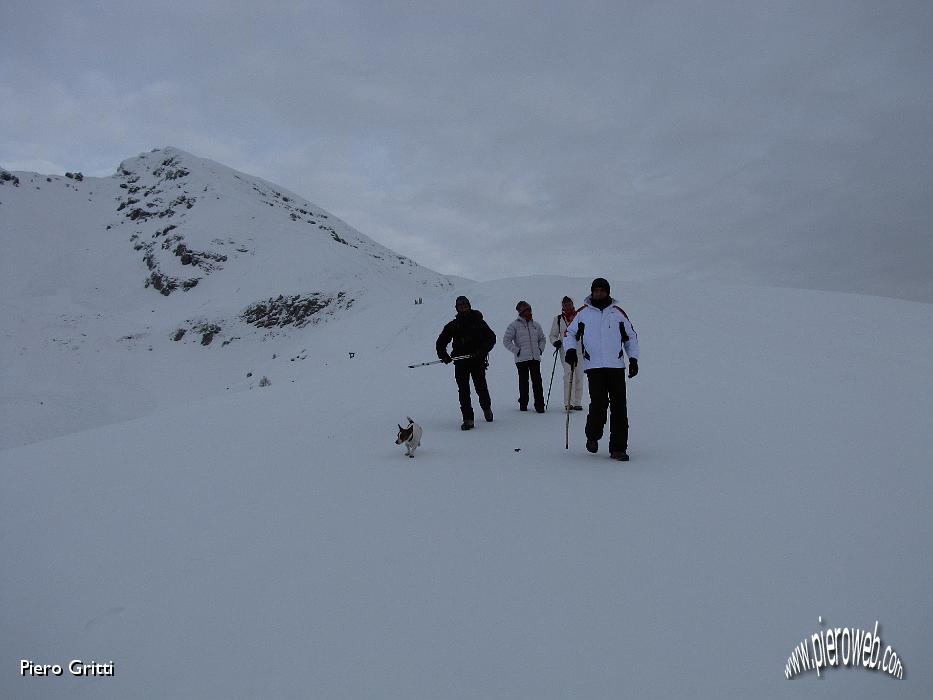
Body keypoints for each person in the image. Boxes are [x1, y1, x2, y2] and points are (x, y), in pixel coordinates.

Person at [563, 278, 640, 461]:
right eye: (596, 290)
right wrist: (571, 350)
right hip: (594, 366)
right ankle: (593, 436)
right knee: (599, 404)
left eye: (602, 290)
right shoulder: (583, 314)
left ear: (607, 292)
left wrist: (633, 359)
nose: (599, 293)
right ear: (592, 292)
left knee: (619, 407)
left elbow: (630, 337)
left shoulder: (617, 313)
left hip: (616, 366)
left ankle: (618, 448)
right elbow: (570, 333)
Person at [436, 295, 497, 430]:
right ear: (457, 308)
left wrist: (482, 351)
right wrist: (444, 355)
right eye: (460, 306)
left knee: (481, 387)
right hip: (460, 362)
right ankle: (468, 418)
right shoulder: (453, 325)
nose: (463, 308)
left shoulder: (479, 321)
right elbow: (441, 342)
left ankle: (486, 408)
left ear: (469, 306)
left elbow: (491, 338)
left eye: (465, 306)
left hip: (477, 361)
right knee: (463, 391)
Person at [502, 300, 547, 413]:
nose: (528, 312)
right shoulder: (514, 325)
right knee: (523, 382)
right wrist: (517, 351)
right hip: (521, 359)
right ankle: (523, 404)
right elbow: (506, 340)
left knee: (537, 382)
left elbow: (542, 339)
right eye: (525, 310)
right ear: (520, 312)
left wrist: (540, 349)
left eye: (529, 309)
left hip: (535, 358)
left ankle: (540, 405)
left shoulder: (536, 325)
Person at [548, 295, 584, 410]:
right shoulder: (558, 319)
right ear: (562, 306)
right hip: (566, 350)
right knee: (569, 374)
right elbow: (553, 335)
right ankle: (569, 402)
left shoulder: (580, 317)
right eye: (565, 304)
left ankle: (577, 402)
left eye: (569, 304)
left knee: (579, 375)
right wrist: (555, 342)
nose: (567, 306)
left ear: (573, 305)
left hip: (579, 350)